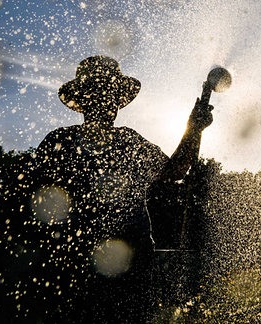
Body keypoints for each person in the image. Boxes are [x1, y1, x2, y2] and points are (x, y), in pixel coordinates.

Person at [30, 55, 213, 323]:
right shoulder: (59, 143)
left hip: (132, 269)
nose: (108, 99)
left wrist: (194, 128)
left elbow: (174, 170)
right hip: (75, 271)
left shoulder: (130, 142)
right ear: (84, 99)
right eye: (100, 91)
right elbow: (34, 206)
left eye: (112, 92)